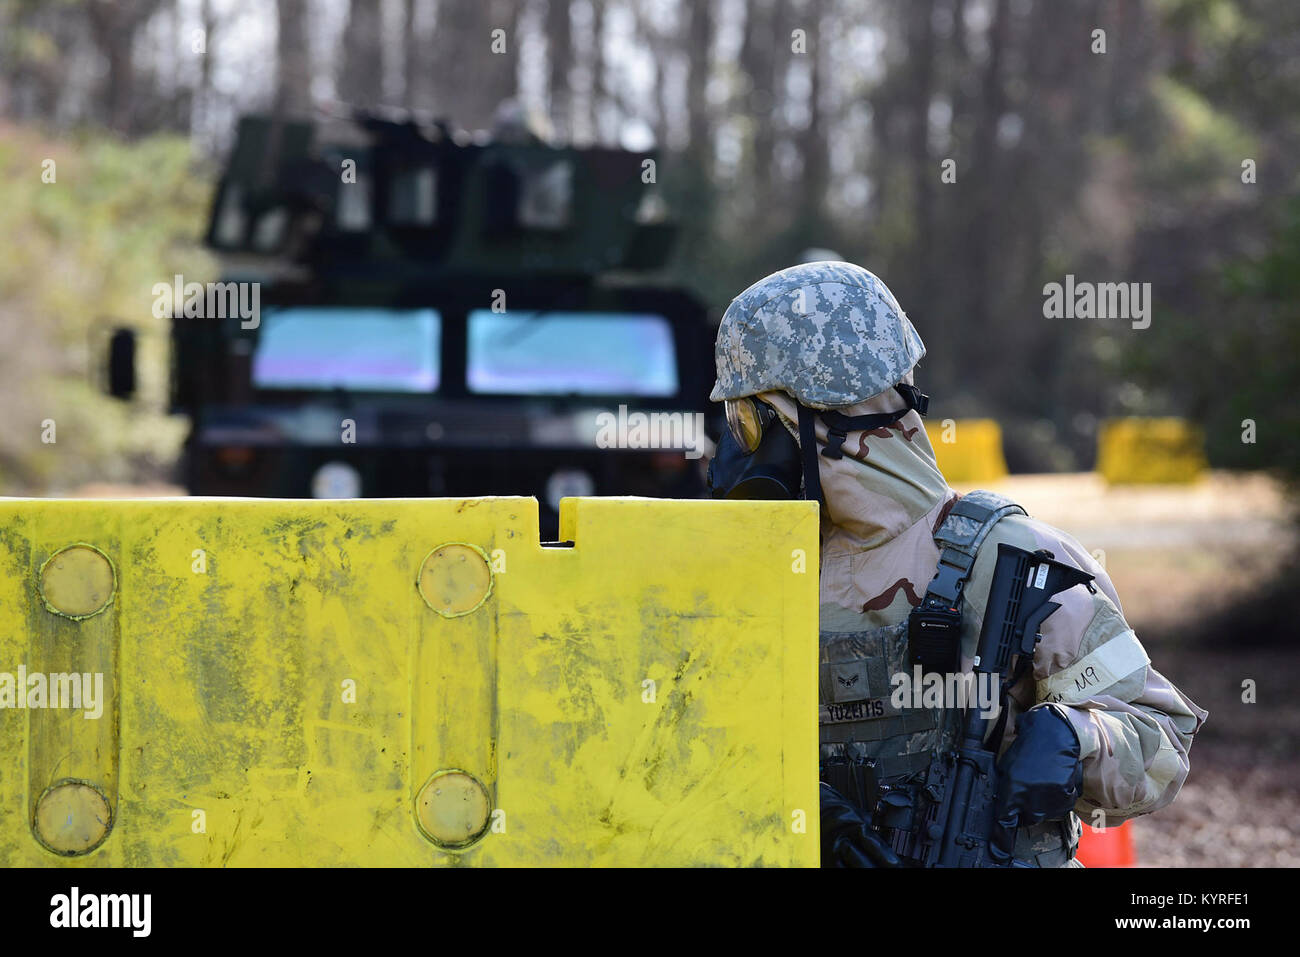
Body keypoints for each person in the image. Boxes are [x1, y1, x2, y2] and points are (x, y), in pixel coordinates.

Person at [706, 260, 1207, 867]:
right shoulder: (755, 575)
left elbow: (1162, 739)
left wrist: (1080, 739)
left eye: (748, 422)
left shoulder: (1013, 558)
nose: (734, 450)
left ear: (808, 416)